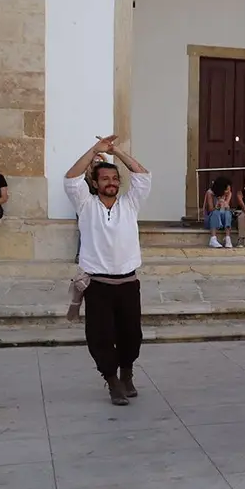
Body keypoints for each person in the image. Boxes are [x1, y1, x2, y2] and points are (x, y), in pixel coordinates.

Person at [64, 135, 151, 406]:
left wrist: (116, 152)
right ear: (95, 183)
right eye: (105, 179)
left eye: (115, 179)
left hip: (127, 282)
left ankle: (127, 374)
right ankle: (112, 381)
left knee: (131, 334)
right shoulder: (85, 205)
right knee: (100, 336)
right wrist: (94, 151)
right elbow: (70, 178)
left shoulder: (130, 204)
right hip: (98, 284)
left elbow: (143, 175)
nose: (111, 183)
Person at [75, 153, 107, 264]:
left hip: (101, 207)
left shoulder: (104, 177)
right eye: (96, 161)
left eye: (100, 162)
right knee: (84, 230)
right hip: (87, 207)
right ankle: (80, 254)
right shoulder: (86, 177)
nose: (98, 163)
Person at [203, 177, 233, 248]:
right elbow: (210, 209)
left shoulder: (229, 193)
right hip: (211, 219)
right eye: (226, 189)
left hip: (223, 220)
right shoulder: (210, 193)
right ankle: (213, 239)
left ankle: (227, 238)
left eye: (229, 189)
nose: (228, 191)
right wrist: (217, 206)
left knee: (228, 213)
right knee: (215, 212)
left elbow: (226, 207)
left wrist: (225, 204)